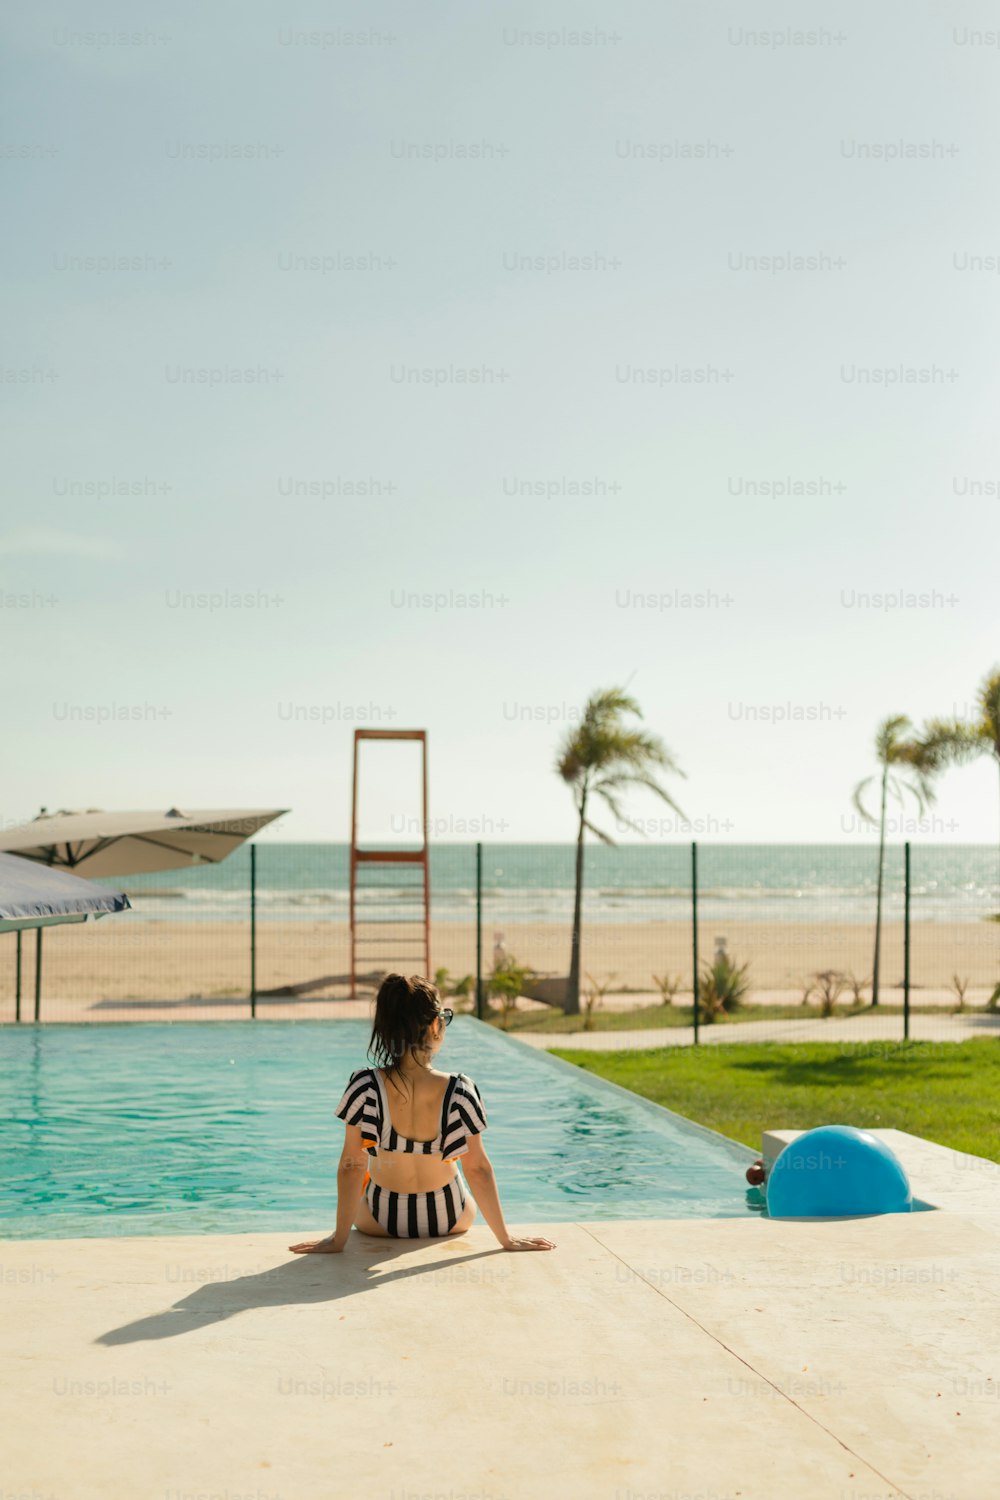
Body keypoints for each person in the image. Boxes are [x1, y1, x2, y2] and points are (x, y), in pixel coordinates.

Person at [289, 973, 555, 1254]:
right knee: (458, 1172)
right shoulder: (460, 1089)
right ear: (434, 1025)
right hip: (449, 1218)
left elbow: (352, 1165)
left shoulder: (365, 1086)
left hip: (381, 1221)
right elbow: (477, 1168)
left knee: (367, 1175)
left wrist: (338, 1240)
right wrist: (506, 1239)